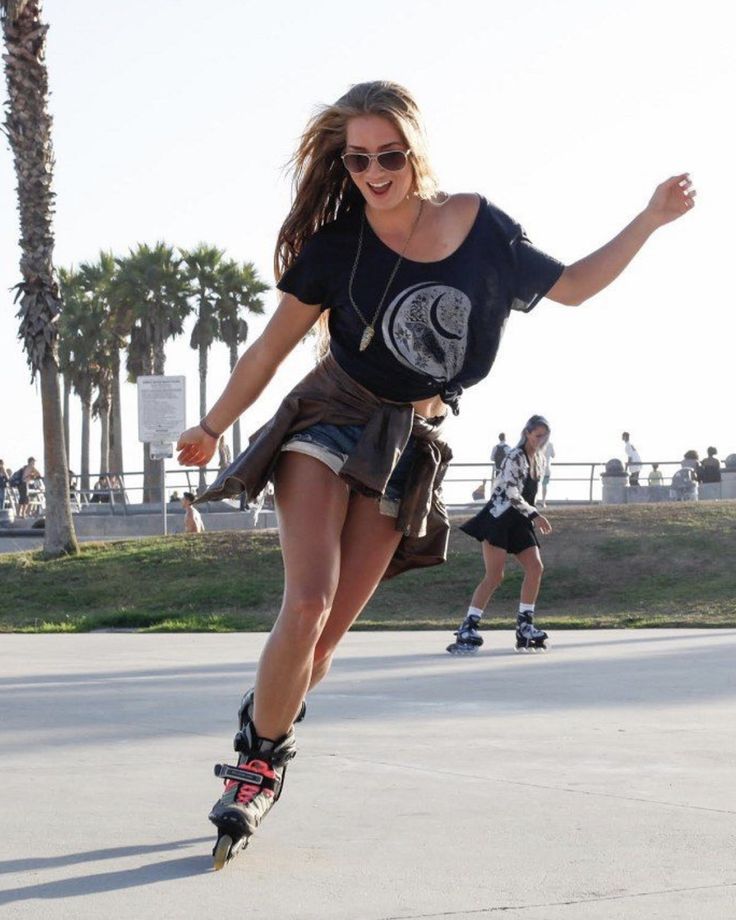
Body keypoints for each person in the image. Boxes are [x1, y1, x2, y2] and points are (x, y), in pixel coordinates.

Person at [175, 80, 696, 867]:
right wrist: (211, 425)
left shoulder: (479, 226)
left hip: (408, 443)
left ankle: (266, 733)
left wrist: (649, 221)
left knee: (324, 643)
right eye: (358, 161)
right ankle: (254, 770)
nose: (375, 173)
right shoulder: (338, 246)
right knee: (308, 600)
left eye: (389, 156)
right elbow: (269, 347)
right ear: (345, 164)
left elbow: (576, 287)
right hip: (328, 416)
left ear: (413, 150)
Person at [448, 416, 553, 655]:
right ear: (526, 433)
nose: (541, 440)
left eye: (544, 436)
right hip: (499, 518)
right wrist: (535, 514)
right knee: (495, 576)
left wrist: (531, 515)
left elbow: (531, 493)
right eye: (537, 435)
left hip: (520, 522)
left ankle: (525, 626)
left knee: (535, 568)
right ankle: (468, 627)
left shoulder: (540, 458)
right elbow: (511, 491)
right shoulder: (514, 456)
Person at [540, 439, 555, 507]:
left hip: (538, 469)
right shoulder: (550, 444)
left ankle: (534, 501)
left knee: (536, 486)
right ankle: (543, 502)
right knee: (544, 485)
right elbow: (553, 455)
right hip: (546, 469)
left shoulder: (539, 443)